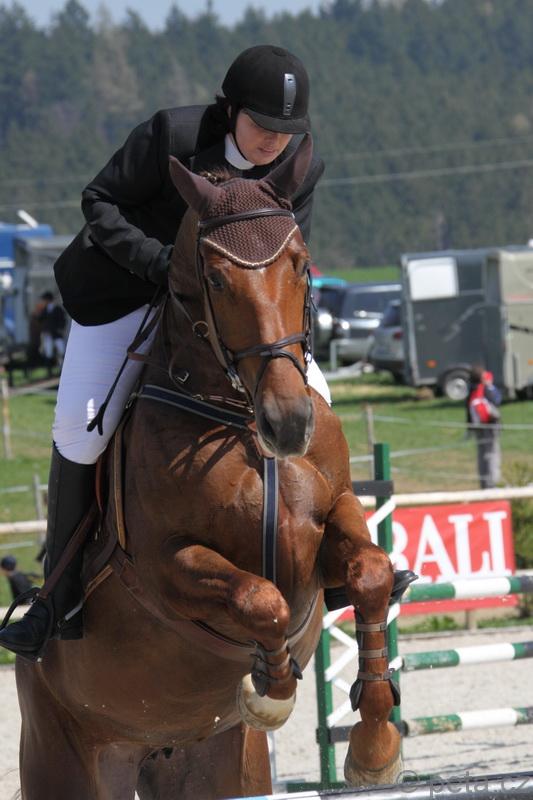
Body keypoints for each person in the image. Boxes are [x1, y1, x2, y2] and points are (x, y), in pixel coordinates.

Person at [0, 45, 329, 660]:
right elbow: (99, 201)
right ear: (230, 110)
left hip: (229, 315)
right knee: (81, 431)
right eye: (261, 125)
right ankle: (57, 597)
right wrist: (159, 264)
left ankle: (334, 558)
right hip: (129, 292)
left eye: (286, 130)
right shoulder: (172, 135)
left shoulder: (300, 166)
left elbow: (289, 254)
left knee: (316, 400)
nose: (273, 142)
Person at [466, 365, 502, 489]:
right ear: (482, 377)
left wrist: (470, 427)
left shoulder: (471, 390)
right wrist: (490, 386)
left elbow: (468, 409)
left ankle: (484, 483)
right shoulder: (485, 389)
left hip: (477, 426)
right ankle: (493, 484)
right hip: (489, 426)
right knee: (492, 454)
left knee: (482, 455)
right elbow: (497, 400)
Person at [37, 291, 67, 367]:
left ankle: (62, 365)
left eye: (44, 300)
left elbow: (62, 320)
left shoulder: (57, 308)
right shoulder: (45, 309)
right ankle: (49, 367)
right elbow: (40, 319)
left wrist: (60, 328)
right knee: (48, 352)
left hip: (56, 333)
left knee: (61, 349)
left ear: (48, 300)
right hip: (48, 333)